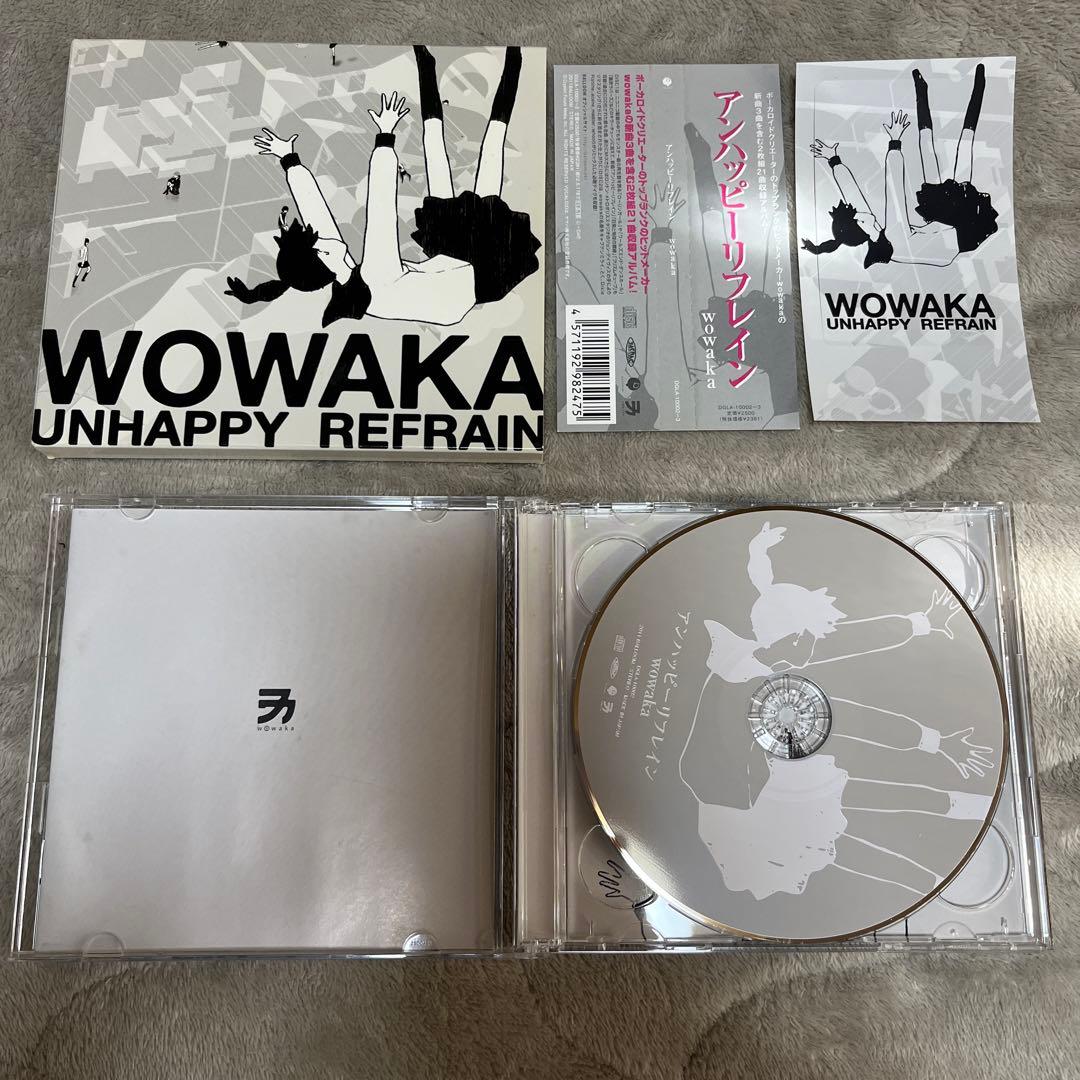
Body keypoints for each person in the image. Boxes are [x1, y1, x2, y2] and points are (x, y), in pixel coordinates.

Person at [679, 521, 995, 900]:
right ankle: (931, 884)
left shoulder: (773, 654)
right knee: (841, 825)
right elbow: (852, 717)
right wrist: (935, 743)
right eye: (808, 640)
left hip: (752, 797)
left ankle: (935, 873)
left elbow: (854, 639)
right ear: (792, 635)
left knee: (846, 814)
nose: (812, 650)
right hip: (742, 812)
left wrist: (922, 622)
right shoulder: (754, 684)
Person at [226, 45, 540, 327]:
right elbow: (380, 208)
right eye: (319, 245)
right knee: (491, 146)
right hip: (480, 275)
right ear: (322, 260)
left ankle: (425, 62)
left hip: (444, 265)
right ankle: (515, 60)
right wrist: (386, 136)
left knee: (433, 143)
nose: (322, 236)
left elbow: (315, 212)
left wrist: (289, 160)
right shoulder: (375, 275)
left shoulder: (337, 264)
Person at [800, 142, 894, 268]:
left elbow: (849, 186)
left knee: (851, 193)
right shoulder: (866, 230)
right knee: (851, 193)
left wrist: (815, 249)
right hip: (850, 220)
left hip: (849, 220)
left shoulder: (866, 230)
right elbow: (848, 186)